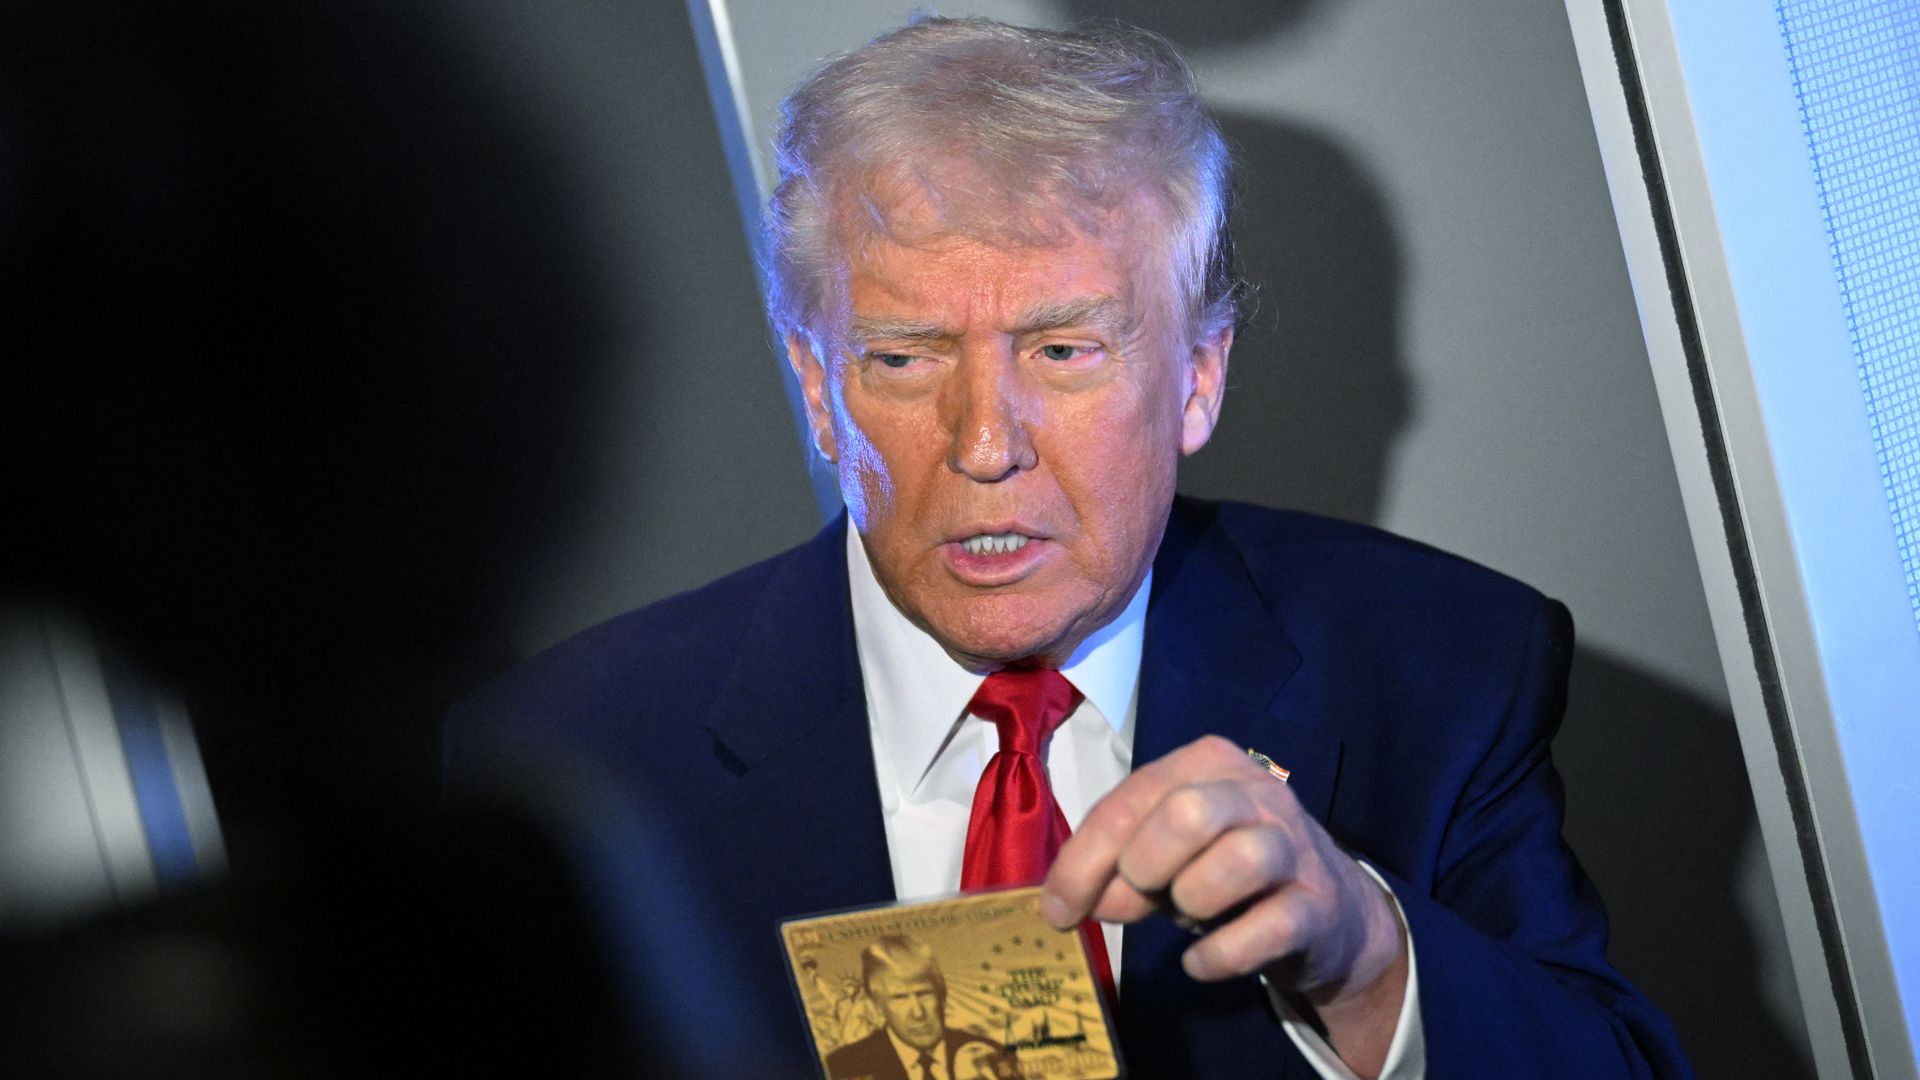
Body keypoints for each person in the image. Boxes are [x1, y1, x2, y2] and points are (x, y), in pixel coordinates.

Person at [447, 16, 1691, 1078]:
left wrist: (1368, 961)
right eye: (903, 357)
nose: (986, 443)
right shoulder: (575, 759)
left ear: (1198, 378)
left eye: (1063, 351)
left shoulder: (1443, 667)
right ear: (819, 388)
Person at [825, 935, 999, 1080]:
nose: (917, 1012)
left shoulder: (992, 1054)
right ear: (877, 1005)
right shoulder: (842, 1067)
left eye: (924, 994)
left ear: (942, 996)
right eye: (899, 998)